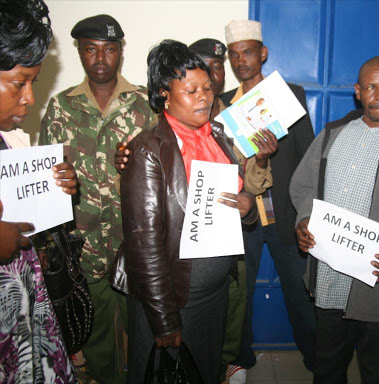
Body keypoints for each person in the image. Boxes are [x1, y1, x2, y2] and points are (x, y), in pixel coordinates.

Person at [110, 40, 258, 384]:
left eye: (207, 88)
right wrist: (164, 320)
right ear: (164, 95)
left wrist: (248, 208)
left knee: (204, 372)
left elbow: (237, 200)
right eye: (191, 90)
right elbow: (143, 245)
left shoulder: (216, 136)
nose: (204, 96)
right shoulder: (148, 150)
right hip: (174, 298)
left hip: (215, 292)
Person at [289, 56, 379, 383]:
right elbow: (302, 184)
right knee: (327, 370)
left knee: (376, 373)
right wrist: (305, 219)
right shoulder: (332, 134)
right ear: (358, 92)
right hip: (330, 281)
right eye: (371, 87)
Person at [39, 14, 156, 383]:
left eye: (109, 49)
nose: (100, 58)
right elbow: (44, 183)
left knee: (146, 334)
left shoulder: (144, 105)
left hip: (134, 246)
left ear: (121, 52)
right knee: (97, 341)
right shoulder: (60, 108)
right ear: (79, 52)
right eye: (91, 49)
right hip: (83, 247)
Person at [220, 20, 316, 380]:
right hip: (243, 214)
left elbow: (308, 157)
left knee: (299, 290)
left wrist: (309, 212)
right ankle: (241, 359)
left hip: (285, 212)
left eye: (247, 52)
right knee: (240, 293)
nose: (241, 60)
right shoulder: (223, 105)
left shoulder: (289, 96)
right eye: (234, 54)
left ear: (262, 54)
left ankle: (315, 359)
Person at [188, 38, 277, 383]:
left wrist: (262, 159)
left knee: (235, 301)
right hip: (191, 240)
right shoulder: (178, 112)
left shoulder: (235, 116)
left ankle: (231, 362)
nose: (215, 74)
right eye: (206, 67)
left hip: (230, 233)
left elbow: (251, 186)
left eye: (218, 66)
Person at [0, 0, 77, 381]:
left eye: (33, 82)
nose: (30, 98)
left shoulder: (11, 141)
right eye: (19, 83)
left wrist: (55, 191)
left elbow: (26, 222)